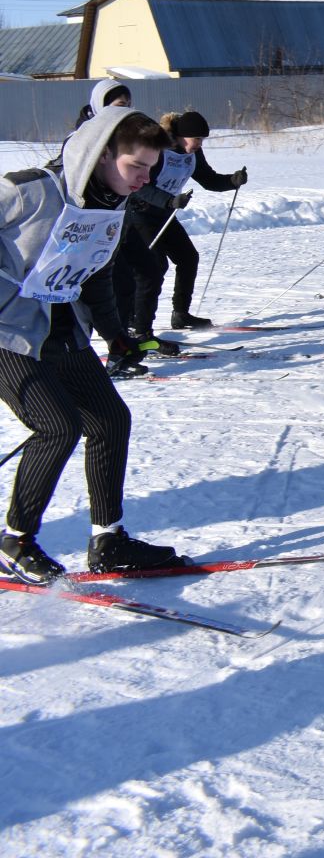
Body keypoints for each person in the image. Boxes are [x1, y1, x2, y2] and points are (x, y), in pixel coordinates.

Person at [0, 108, 186, 582]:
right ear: (103, 154)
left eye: (150, 170)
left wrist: (118, 336)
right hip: (9, 334)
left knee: (109, 419)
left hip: (62, 329)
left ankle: (109, 540)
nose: (144, 179)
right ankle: (13, 540)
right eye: (136, 167)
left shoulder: (108, 205)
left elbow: (97, 276)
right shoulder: (29, 190)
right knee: (57, 427)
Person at [112, 110, 246, 334]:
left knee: (188, 258)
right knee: (153, 267)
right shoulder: (158, 150)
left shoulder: (193, 154)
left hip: (165, 215)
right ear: (182, 136)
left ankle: (181, 314)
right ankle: (136, 323)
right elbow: (139, 187)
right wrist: (168, 200)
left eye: (202, 140)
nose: (199, 144)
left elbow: (208, 179)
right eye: (197, 139)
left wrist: (232, 181)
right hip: (139, 215)